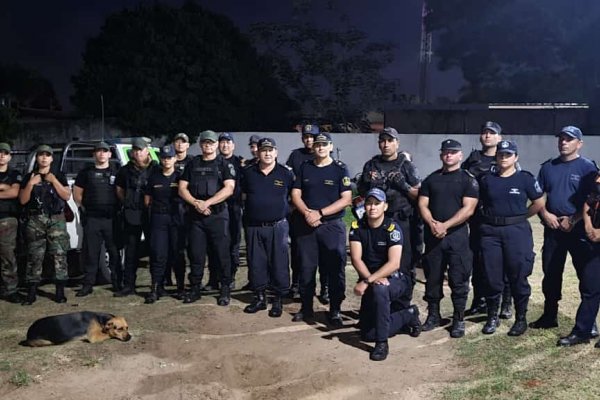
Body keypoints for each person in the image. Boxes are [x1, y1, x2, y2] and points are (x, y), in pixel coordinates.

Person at [530, 126, 599, 336]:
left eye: (569, 139)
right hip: (553, 229)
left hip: (578, 230)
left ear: (579, 143)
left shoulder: (588, 168)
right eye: (561, 139)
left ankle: (589, 323)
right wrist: (546, 215)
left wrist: (574, 219)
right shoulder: (548, 167)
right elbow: (538, 196)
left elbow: (593, 200)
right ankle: (550, 315)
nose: (564, 142)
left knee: (586, 277)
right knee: (551, 273)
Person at [478, 140, 544, 336]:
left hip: (516, 231)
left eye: (508, 155)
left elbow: (538, 202)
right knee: (492, 276)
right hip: (491, 232)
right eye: (501, 155)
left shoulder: (525, 179)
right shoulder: (486, 180)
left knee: (518, 275)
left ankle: (520, 319)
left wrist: (521, 216)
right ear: (496, 157)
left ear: (516, 157)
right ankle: (492, 317)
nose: (504, 158)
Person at [349, 188, 421, 361]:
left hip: (395, 279)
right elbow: (356, 259)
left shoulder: (392, 228)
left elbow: (394, 263)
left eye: (377, 203)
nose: (372, 207)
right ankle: (408, 314)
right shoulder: (357, 227)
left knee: (380, 291)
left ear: (385, 206)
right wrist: (371, 280)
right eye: (369, 203)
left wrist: (367, 281)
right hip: (372, 280)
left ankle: (382, 344)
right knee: (367, 333)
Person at [418, 139, 479, 338]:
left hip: (457, 237)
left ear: (460, 155)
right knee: (433, 278)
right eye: (446, 152)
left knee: (459, 279)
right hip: (434, 237)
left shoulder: (467, 180)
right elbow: (422, 204)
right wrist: (433, 223)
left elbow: (468, 209)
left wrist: (445, 225)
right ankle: (433, 315)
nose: (449, 155)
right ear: (441, 154)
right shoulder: (431, 179)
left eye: (453, 152)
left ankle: (458, 319)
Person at [291, 132, 352, 326]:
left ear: (331, 147)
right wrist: (308, 213)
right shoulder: (305, 168)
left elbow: (346, 199)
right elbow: (295, 193)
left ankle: (335, 310)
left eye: (324, 145)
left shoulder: (339, 170)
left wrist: (320, 213)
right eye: (317, 144)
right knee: (306, 268)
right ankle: (306, 307)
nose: (320, 147)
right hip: (306, 225)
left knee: (335, 269)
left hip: (332, 226)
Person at [357, 127, 421, 284]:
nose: (386, 144)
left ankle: (402, 304)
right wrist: (366, 182)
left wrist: (404, 185)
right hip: (377, 222)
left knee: (403, 264)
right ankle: (374, 300)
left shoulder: (407, 166)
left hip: (401, 220)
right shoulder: (371, 165)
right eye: (382, 141)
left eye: (390, 141)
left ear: (397, 143)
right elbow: (361, 195)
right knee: (375, 261)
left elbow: (420, 197)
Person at [178, 130, 235, 305]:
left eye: (211, 142)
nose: (208, 145)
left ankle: (224, 289)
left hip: (217, 216)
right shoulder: (192, 164)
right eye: (205, 142)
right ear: (201, 144)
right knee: (196, 254)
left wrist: (207, 203)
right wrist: (196, 203)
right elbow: (182, 188)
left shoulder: (223, 164)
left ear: (216, 144)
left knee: (221, 254)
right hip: (196, 217)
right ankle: (195, 288)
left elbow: (229, 188)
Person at [462, 121, 512, 317]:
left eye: (492, 133)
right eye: (485, 132)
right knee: (477, 261)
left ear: (499, 137)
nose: (488, 136)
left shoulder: (506, 158)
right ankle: (479, 300)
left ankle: (506, 303)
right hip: (477, 219)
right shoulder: (472, 159)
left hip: (499, 218)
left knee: (504, 263)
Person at [241, 138, 294, 317]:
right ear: (258, 152)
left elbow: (294, 196)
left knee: (279, 264)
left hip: (277, 226)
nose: (267, 153)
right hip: (254, 226)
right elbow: (241, 195)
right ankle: (260, 298)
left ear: (276, 152)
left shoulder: (286, 173)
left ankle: (277, 300)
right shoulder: (248, 172)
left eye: (270, 150)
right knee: (256, 263)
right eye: (264, 150)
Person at [19, 145, 72, 305]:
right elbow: (22, 200)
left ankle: (60, 292)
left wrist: (54, 180)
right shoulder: (29, 176)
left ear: (51, 158)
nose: (44, 158)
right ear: (37, 158)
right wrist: (30, 184)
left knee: (59, 255)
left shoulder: (59, 176)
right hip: (36, 220)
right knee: (34, 256)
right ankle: (31, 292)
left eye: (47, 155)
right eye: (41, 155)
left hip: (56, 219)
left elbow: (66, 196)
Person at [286, 123, 329, 303]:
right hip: (299, 210)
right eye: (306, 137)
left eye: (312, 137)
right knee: (298, 252)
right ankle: (296, 284)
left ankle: (325, 288)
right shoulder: (296, 156)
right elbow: (289, 179)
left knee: (325, 254)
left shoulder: (324, 155)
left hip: (322, 213)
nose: (309, 140)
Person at [73, 141, 122, 297]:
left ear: (109, 154)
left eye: (104, 151)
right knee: (91, 253)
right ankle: (88, 284)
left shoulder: (117, 172)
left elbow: (121, 193)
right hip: (93, 219)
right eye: (98, 151)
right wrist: (84, 208)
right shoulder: (85, 173)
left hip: (112, 219)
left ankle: (117, 283)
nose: (101, 154)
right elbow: (77, 194)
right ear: (94, 154)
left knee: (114, 253)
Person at [559, 174, 600, 346]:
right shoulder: (597, 178)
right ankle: (582, 331)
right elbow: (588, 202)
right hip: (595, 245)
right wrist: (589, 226)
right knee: (590, 287)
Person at [114, 137, 157, 297]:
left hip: (151, 214)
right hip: (132, 214)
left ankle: (156, 284)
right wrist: (126, 201)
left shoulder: (155, 168)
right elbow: (119, 188)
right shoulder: (125, 170)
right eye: (135, 150)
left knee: (154, 250)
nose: (138, 153)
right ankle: (129, 285)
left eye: (141, 149)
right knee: (131, 251)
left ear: (147, 151)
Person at [144, 144, 185, 303]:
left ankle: (180, 287)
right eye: (164, 158)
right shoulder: (154, 177)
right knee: (158, 254)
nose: (167, 160)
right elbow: (147, 199)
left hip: (176, 219)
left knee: (177, 254)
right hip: (158, 219)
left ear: (175, 158)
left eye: (170, 157)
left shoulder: (181, 177)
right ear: (160, 159)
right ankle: (155, 288)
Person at [211, 132, 244, 289]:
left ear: (233, 145)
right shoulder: (212, 161)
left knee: (233, 244)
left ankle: (230, 277)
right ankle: (213, 279)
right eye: (222, 142)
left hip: (234, 208)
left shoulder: (239, 163)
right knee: (214, 245)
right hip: (216, 209)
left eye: (228, 142)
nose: (224, 145)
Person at [0, 143, 22, 303]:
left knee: (7, 256)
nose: (2, 156)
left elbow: (15, 192)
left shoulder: (14, 174)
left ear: (10, 156)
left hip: (6, 220)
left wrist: (7, 188)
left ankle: (11, 290)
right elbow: (9, 191)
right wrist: (3, 188)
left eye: (5, 153)